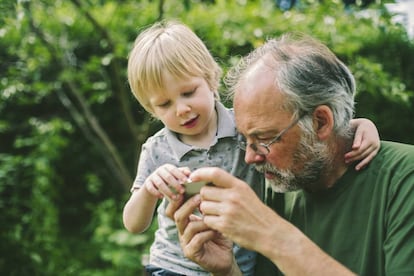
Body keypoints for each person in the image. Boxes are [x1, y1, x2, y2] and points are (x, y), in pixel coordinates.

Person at [123, 21, 380, 276]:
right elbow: (134, 224)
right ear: (151, 110)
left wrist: (361, 126)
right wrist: (149, 190)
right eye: (164, 104)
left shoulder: (244, 128)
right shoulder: (157, 149)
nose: (181, 109)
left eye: (189, 92)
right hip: (172, 268)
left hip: (240, 267)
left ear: (211, 78)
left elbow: (312, 127)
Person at [169, 33, 414, 276]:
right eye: (245, 141)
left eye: (264, 139)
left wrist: (272, 235)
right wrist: (227, 270)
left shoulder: (404, 180)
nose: (250, 159)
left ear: (320, 122)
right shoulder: (277, 185)